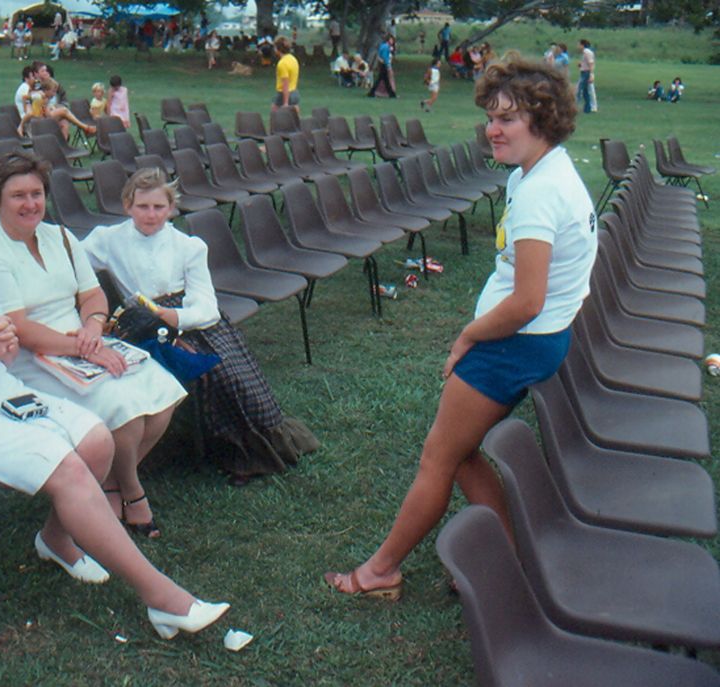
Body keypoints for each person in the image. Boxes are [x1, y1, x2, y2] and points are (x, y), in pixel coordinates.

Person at [0, 156, 230, 639]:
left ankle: (55, 540)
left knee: (96, 440)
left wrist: (0, 347)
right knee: (70, 467)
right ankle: (162, 598)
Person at [324, 55, 596, 600]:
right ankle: (511, 550)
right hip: (535, 341)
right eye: (490, 117)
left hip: (513, 344)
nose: (492, 130)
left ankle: (381, 571)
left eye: (508, 119)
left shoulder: (541, 194)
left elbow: (526, 301)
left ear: (542, 122)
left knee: (438, 457)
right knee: (461, 451)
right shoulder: (546, 171)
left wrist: (469, 336)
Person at [0, 153, 186, 538]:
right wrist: (86, 349)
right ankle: (133, 492)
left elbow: (92, 295)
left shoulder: (61, 238)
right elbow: (19, 328)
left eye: (36, 194)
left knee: (163, 392)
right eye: (18, 195)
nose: (30, 204)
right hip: (31, 359)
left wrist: (93, 326)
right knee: (124, 409)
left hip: (84, 341)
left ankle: (110, 485)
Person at [83, 168, 320, 481]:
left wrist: (178, 317)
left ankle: (251, 447)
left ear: (171, 209)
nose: (151, 215)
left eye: (159, 207)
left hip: (190, 316)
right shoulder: (107, 239)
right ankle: (215, 446)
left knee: (230, 371)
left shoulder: (189, 246)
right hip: (144, 323)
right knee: (203, 371)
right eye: (142, 207)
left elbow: (206, 304)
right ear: (128, 206)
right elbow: (70, 262)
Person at [271, 36, 300, 113]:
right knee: (295, 116)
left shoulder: (282, 64)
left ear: (278, 49)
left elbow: (285, 83)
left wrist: (285, 103)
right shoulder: (293, 59)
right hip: (294, 92)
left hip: (284, 94)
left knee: (274, 113)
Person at [367, 33, 396, 98]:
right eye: (391, 40)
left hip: (382, 64)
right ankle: (391, 94)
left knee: (384, 80)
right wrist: (388, 66)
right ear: (388, 40)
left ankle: (391, 94)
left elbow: (379, 55)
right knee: (383, 80)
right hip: (384, 65)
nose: (392, 41)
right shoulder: (386, 47)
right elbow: (386, 58)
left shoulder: (382, 46)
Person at [577, 39, 595, 114]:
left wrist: (591, 74)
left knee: (579, 90)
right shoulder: (585, 52)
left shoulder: (587, 52)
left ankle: (574, 106)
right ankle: (587, 108)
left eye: (578, 44)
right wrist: (581, 65)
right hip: (584, 71)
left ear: (582, 45)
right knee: (585, 91)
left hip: (586, 73)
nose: (577, 46)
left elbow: (591, 63)